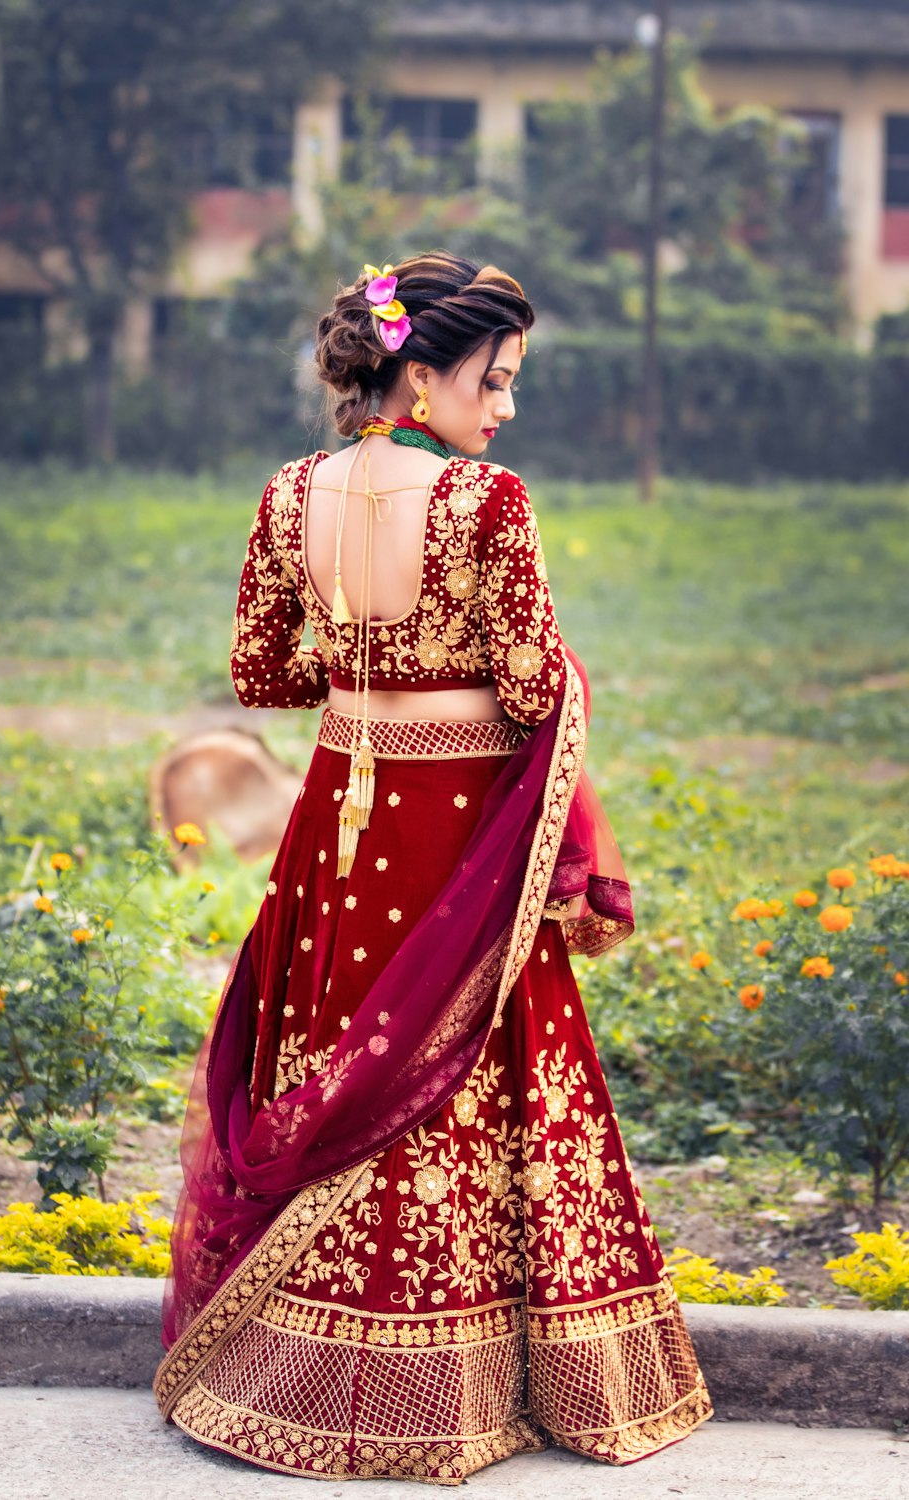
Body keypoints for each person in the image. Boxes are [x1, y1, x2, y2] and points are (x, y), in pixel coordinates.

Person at [153, 251, 714, 1483]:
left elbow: (263, 674)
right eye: (493, 380)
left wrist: (364, 677)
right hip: (455, 840)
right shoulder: (485, 504)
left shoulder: (289, 491)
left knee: (333, 1054)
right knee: (472, 1069)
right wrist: (546, 686)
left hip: (336, 836)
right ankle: (466, 1390)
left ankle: (284, 1370)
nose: (503, 409)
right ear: (418, 373)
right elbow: (527, 682)